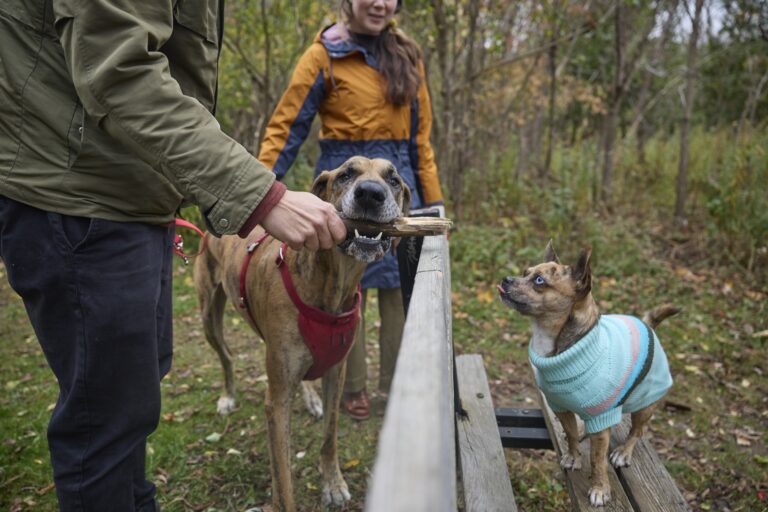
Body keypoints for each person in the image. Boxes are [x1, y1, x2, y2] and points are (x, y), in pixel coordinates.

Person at [0, 1, 346, 511]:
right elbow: (118, 71)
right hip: (79, 203)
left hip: (135, 201)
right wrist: (261, 196)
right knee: (105, 423)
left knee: (132, 401)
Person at [258, 0, 444, 421]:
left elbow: (420, 140)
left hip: (394, 181)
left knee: (397, 288)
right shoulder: (323, 53)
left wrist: (432, 205)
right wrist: (257, 192)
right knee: (341, 288)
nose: (380, 3)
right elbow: (287, 127)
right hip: (345, 182)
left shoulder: (407, 55)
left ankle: (396, 384)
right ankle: (351, 386)